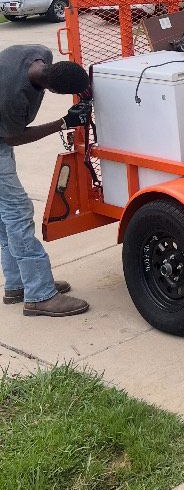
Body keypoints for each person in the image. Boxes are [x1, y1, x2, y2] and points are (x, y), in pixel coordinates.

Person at [0, 44, 91, 317]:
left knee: (6, 214)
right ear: (52, 90)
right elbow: (13, 137)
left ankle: (18, 284)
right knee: (18, 213)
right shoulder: (13, 97)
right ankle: (39, 294)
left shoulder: (39, 53)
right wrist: (64, 122)